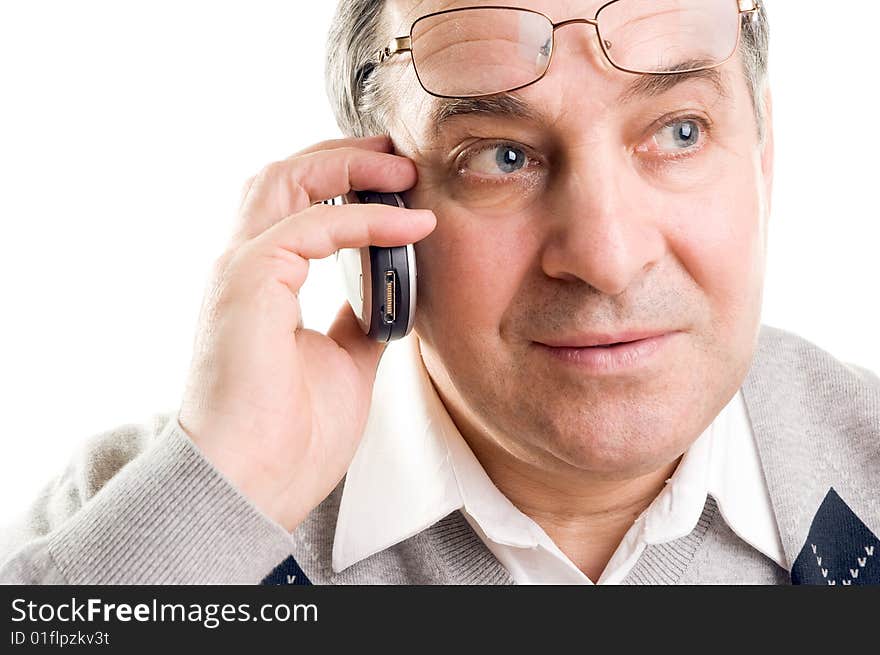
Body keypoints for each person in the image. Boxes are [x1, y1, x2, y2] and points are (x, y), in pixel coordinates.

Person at [2, 0, 878, 586]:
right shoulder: (141, 519)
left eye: (679, 132)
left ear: (763, 163)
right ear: (371, 204)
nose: (608, 257)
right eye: (501, 156)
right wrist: (226, 496)